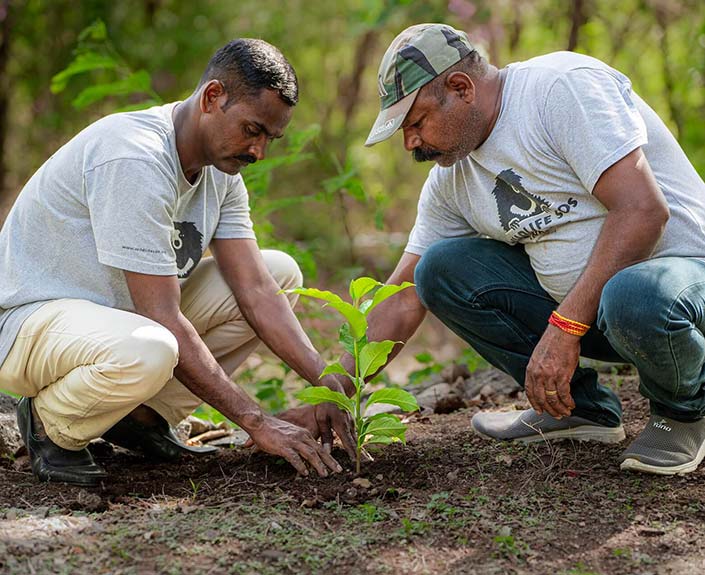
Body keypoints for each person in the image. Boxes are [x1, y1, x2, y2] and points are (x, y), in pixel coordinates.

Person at [0, 38, 357, 487]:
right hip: (29, 324)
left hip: (116, 323)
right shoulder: (135, 158)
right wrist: (257, 422)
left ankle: (142, 419)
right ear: (212, 98)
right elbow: (161, 316)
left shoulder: (220, 174)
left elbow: (257, 290)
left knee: (280, 273)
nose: (259, 151)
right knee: (153, 345)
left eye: (270, 137)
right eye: (252, 130)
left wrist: (332, 387)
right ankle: (52, 423)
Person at [359, 23, 705, 475]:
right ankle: (578, 409)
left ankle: (683, 414)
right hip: (596, 318)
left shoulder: (560, 89)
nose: (411, 143)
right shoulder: (452, 179)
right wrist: (337, 385)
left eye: (416, 122)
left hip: (680, 293)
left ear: (460, 87)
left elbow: (643, 212)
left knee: (634, 294)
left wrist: (564, 327)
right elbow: (404, 295)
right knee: (438, 270)